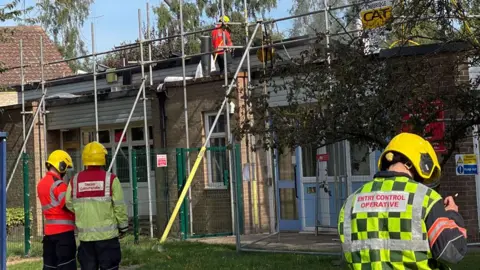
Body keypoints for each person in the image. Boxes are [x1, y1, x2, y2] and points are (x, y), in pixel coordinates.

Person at [338, 132, 467, 269]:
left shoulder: (351, 202)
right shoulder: (426, 198)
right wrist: (453, 215)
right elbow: (451, 251)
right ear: (416, 162)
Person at [66, 141, 128, 270]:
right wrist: (123, 227)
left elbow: (69, 203)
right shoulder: (111, 179)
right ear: (103, 158)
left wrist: (83, 213)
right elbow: (119, 206)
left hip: (85, 239)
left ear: (85, 159)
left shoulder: (75, 180)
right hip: (107, 238)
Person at [37, 150, 77, 270]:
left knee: (50, 267)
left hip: (49, 235)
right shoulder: (59, 185)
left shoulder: (41, 184)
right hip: (64, 236)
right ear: (61, 165)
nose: (65, 171)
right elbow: (69, 206)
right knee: (67, 266)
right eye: (66, 168)